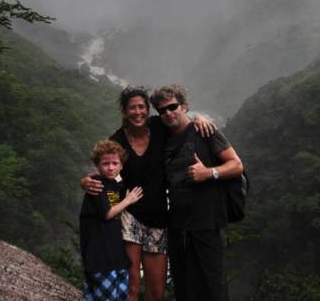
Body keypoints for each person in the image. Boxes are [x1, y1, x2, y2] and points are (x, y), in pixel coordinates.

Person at [82, 86, 215, 301]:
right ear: (124, 112)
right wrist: (86, 181)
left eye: (141, 107)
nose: (137, 112)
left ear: (148, 110)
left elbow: (179, 120)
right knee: (131, 285)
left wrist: (198, 118)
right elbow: (105, 168)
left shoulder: (158, 127)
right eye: (132, 108)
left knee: (156, 290)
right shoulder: (117, 141)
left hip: (159, 217)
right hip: (130, 216)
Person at [150, 84, 244, 301]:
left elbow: (236, 165)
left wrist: (209, 173)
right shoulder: (163, 136)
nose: (168, 113)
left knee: (212, 287)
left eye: (172, 107)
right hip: (177, 224)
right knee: (184, 287)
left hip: (206, 222)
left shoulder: (206, 131)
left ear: (184, 106)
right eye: (162, 110)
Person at [80, 139, 144, 301]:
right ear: (97, 166)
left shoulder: (114, 185)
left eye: (115, 163)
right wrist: (128, 200)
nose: (111, 167)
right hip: (100, 260)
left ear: (121, 165)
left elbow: (123, 185)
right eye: (105, 164)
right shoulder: (97, 185)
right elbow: (107, 214)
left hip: (117, 259)